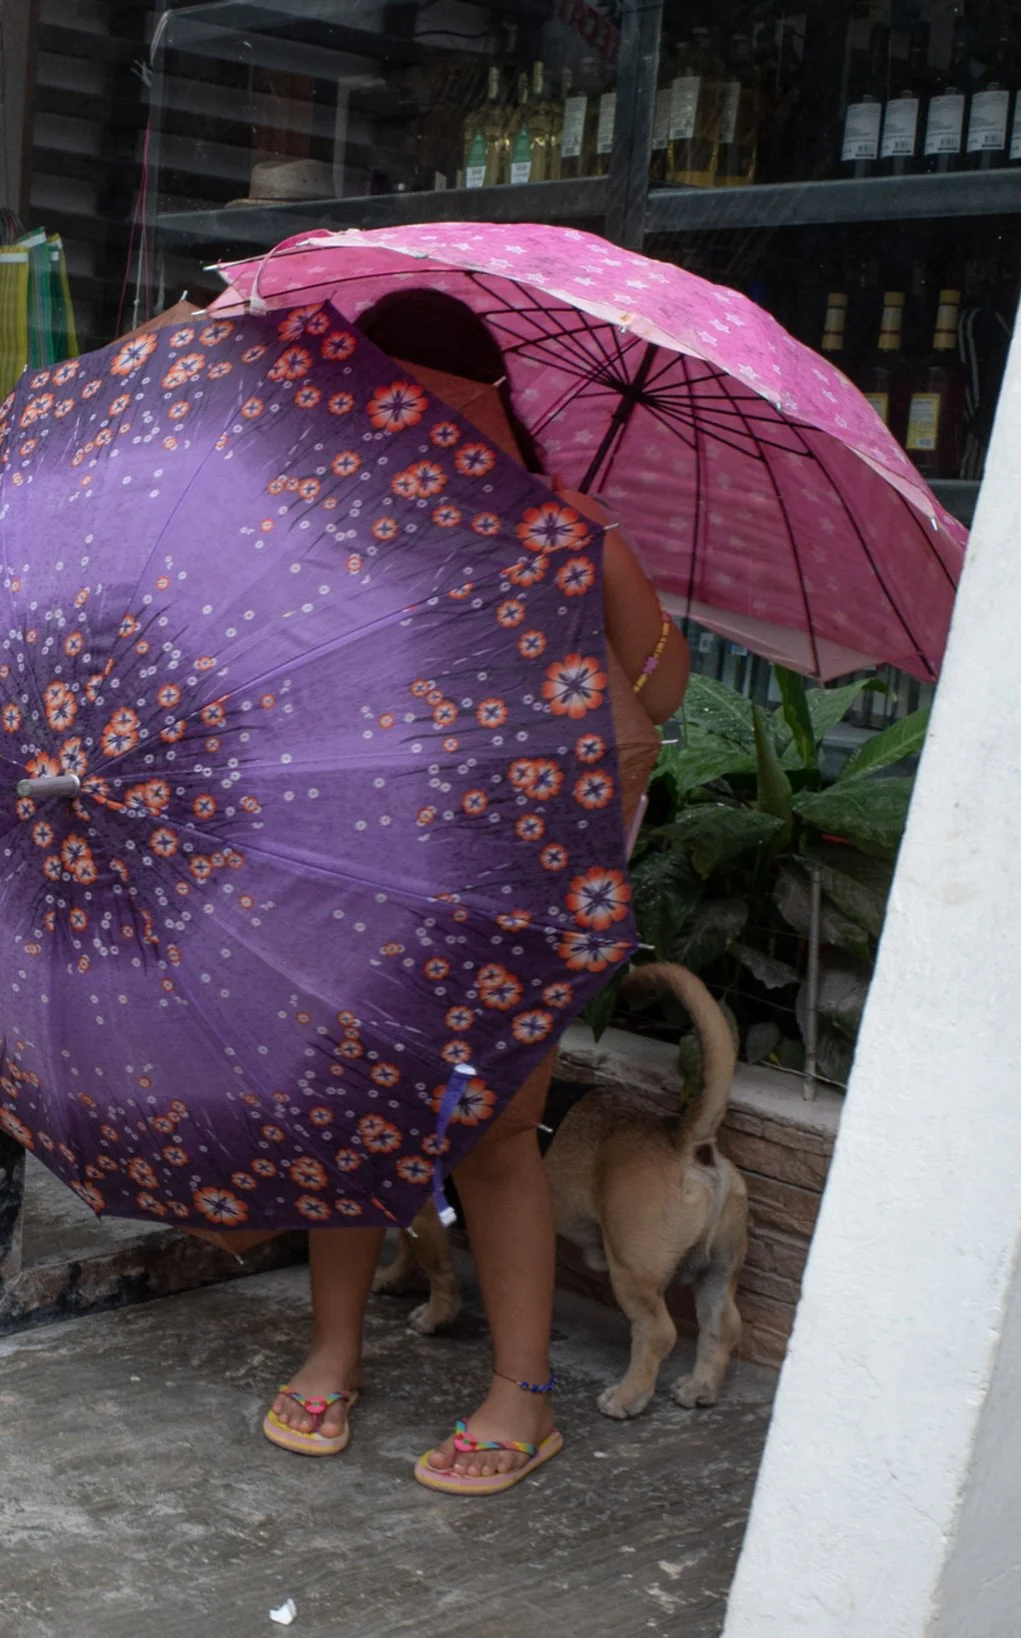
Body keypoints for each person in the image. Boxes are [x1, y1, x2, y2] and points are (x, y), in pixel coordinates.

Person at [253, 288, 691, 1495]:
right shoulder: (338, 533)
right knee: (351, 1116)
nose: (391, 426)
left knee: (499, 1133)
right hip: (356, 873)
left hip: (514, 888)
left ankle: (524, 1396)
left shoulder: (571, 533)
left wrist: (600, 571)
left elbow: (659, 703)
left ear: (475, 403)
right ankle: (332, 1350)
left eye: (419, 400)